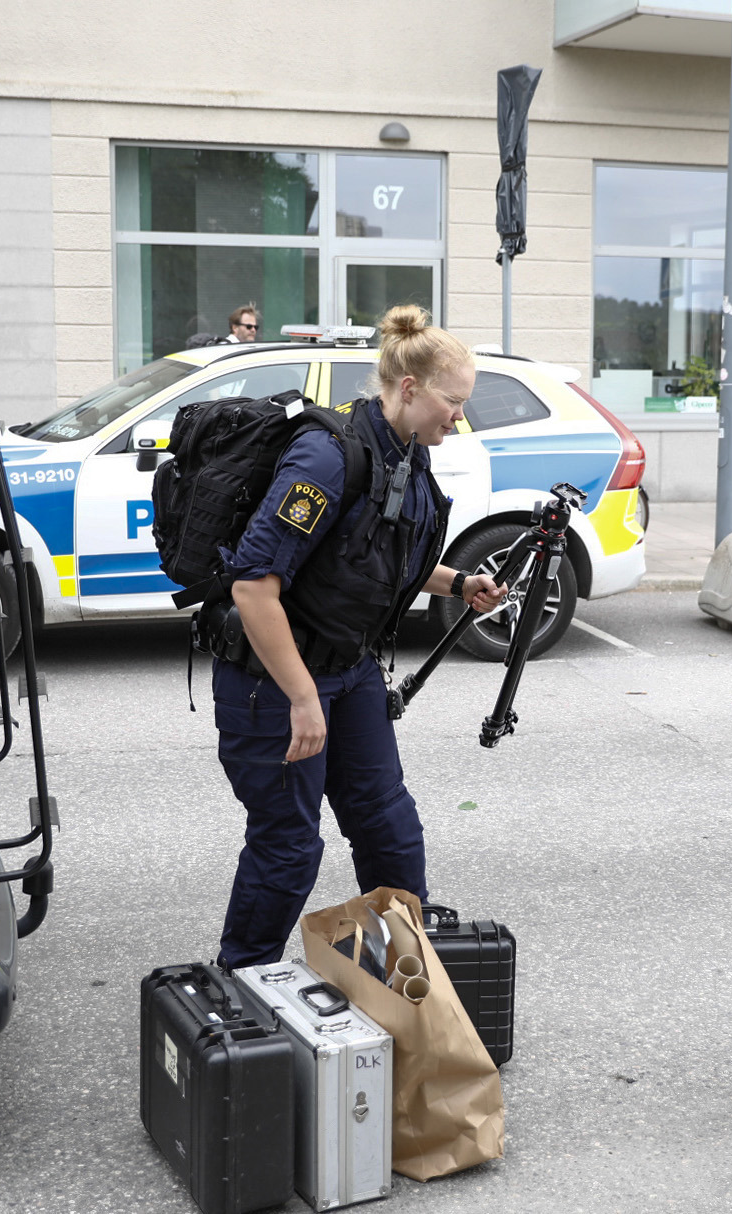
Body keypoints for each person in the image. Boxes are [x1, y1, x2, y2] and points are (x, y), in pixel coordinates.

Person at [210, 305, 506, 969]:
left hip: (350, 671)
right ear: (409, 388)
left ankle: (405, 973)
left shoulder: (406, 452)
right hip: (275, 681)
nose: (459, 417)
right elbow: (254, 587)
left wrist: (459, 583)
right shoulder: (326, 456)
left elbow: (377, 558)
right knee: (289, 846)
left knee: (387, 825)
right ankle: (242, 982)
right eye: (453, 401)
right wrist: (302, 697)